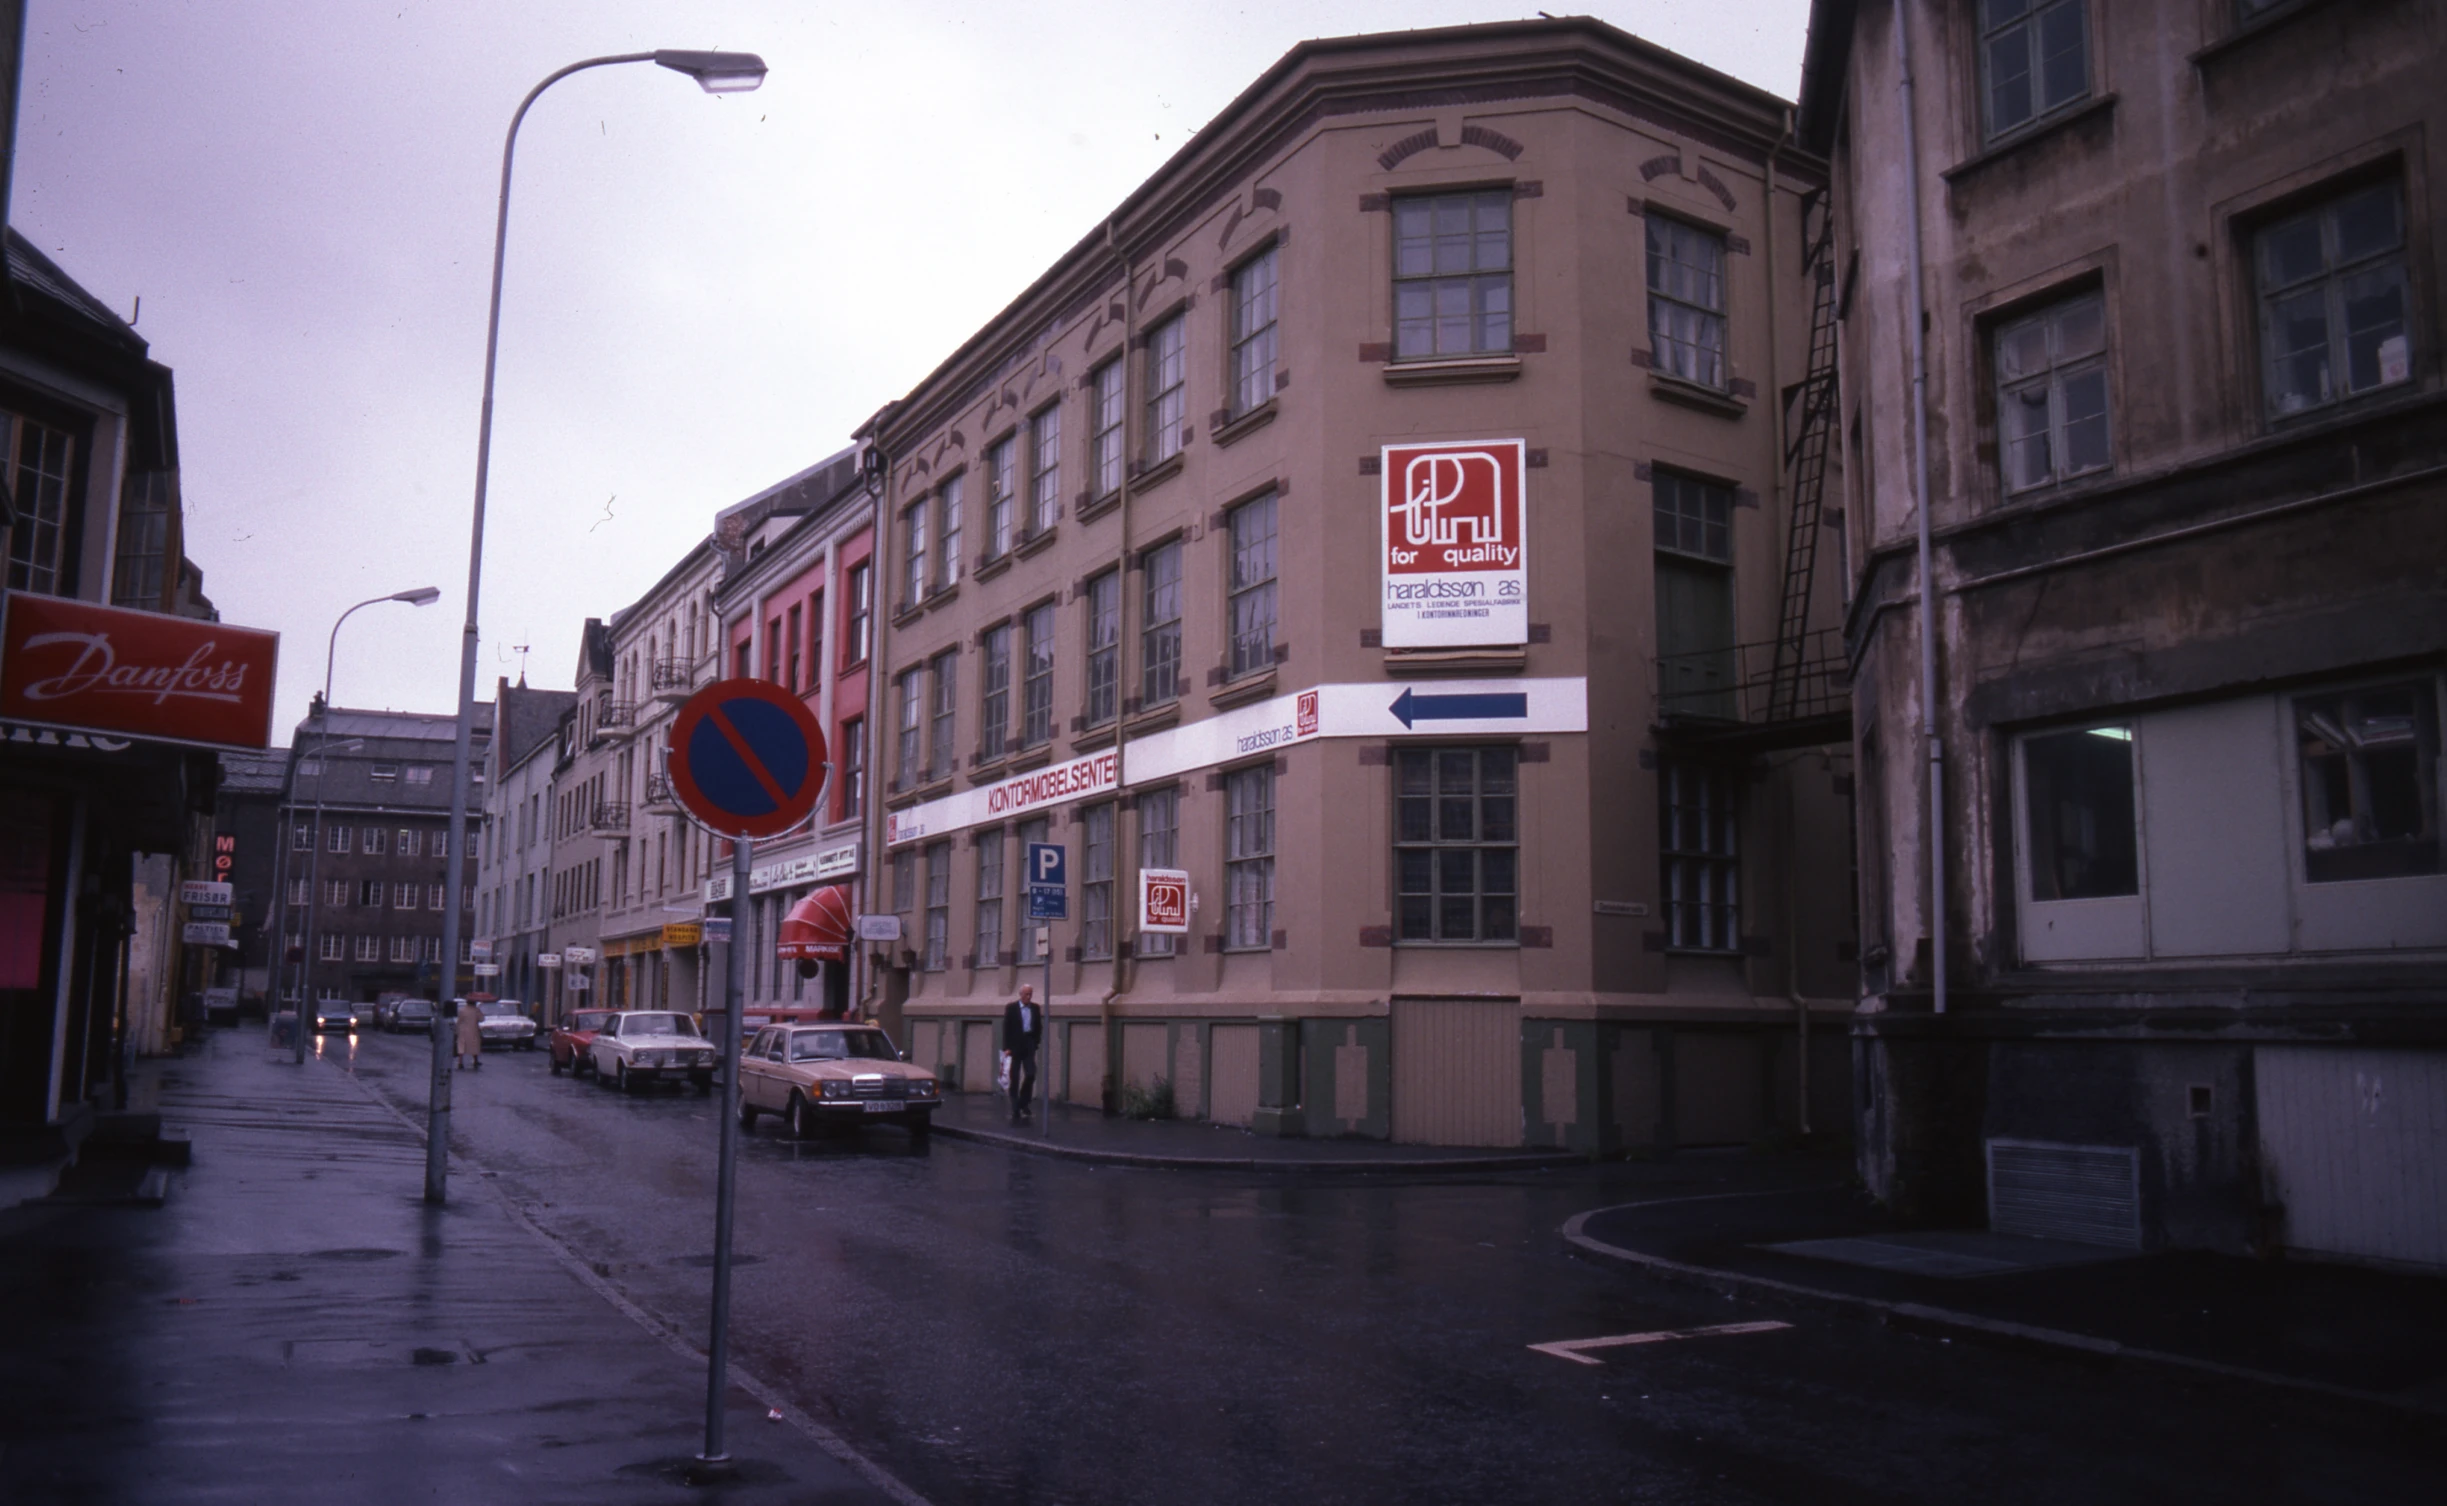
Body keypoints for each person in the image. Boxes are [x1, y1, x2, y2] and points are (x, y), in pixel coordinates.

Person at [1001, 983, 1044, 1125]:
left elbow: (1038, 1027)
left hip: (1028, 1044)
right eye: (1026, 994)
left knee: (1031, 1073)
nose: (1028, 997)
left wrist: (1035, 1043)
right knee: (1014, 1076)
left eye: (1030, 994)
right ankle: (1015, 1106)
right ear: (1020, 995)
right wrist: (1006, 1047)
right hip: (1014, 1046)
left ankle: (1024, 1102)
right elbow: (1006, 1028)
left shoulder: (1035, 1008)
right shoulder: (1012, 1008)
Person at [454, 997, 484, 1071]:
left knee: (461, 1046)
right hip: (473, 1030)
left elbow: (459, 1021)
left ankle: (460, 1062)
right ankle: (475, 1061)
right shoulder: (476, 1010)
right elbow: (482, 1019)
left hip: (463, 1030)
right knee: (474, 1046)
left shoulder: (462, 1010)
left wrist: (456, 1030)